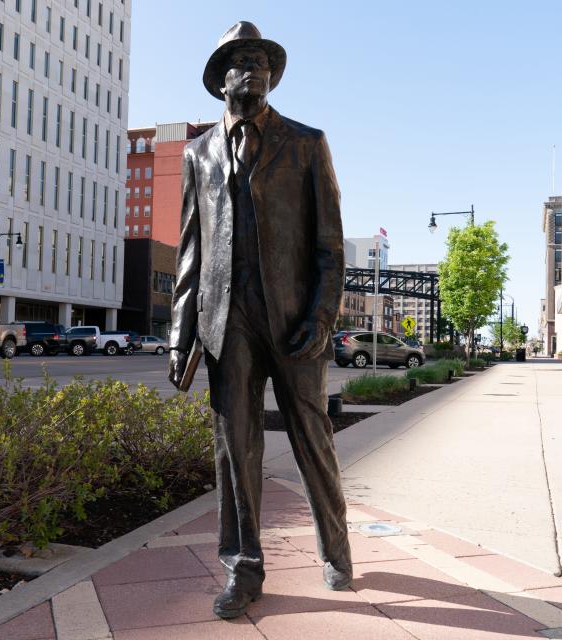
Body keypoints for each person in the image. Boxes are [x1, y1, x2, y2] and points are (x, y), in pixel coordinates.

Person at [168, 21, 352, 619]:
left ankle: (337, 549)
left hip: (296, 320)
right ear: (220, 80)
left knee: (313, 436)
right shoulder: (198, 154)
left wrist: (323, 318)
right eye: (240, 60)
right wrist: (181, 336)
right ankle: (243, 570)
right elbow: (190, 251)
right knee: (234, 451)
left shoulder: (306, 143)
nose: (253, 68)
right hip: (228, 320)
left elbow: (330, 245)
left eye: (261, 60)